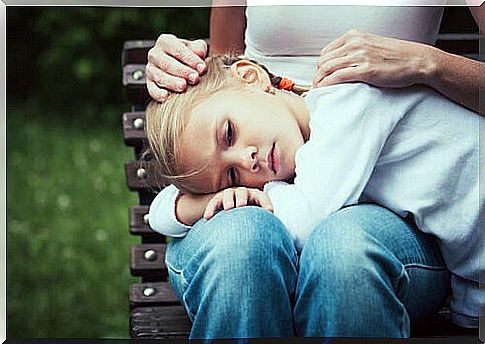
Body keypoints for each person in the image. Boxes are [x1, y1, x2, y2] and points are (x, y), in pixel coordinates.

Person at [144, 3, 483, 338]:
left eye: (230, 135)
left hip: (398, 225)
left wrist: (428, 62)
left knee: (343, 252)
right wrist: (203, 203)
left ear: (252, 76)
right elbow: (219, 68)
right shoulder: (250, 131)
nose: (247, 161)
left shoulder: (346, 107)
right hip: (302, 182)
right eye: (232, 177)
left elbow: (307, 218)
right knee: (241, 240)